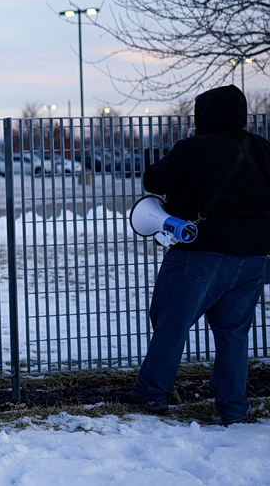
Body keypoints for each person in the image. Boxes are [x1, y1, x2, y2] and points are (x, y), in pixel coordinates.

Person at [128, 84, 270, 425]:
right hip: (255, 257)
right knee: (234, 332)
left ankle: (151, 394)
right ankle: (233, 407)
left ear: (204, 116)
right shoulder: (264, 149)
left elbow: (154, 179)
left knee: (170, 322)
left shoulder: (196, 148)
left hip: (201, 253)